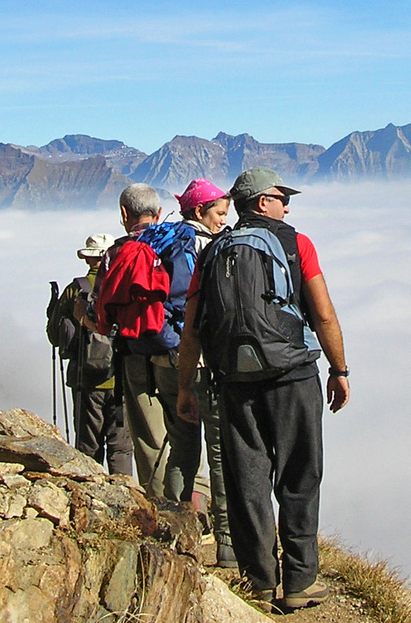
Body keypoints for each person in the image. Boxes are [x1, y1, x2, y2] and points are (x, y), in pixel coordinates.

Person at [177, 168, 350, 612]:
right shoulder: (297, 244)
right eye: (280, 197)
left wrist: (185, 388)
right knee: (299, 475)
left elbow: (192, 329)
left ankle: (258, 581)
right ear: (260, 202)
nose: (287, 206)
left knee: (247, 479)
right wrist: (339, 368)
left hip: (233, 380)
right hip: (292, 375)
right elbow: (324, 315)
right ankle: (299, 581)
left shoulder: (213, 251)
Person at [91, 183, 172, 496]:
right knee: (185, 431)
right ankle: (199, 504)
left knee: (150, 435)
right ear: (159, 213)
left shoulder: (116, 253)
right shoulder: (178, 242)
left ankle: (163, 506)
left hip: (136, 350)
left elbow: (100, 313)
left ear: (124, 214)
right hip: (182, 348)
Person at [174, 178, 236, 567]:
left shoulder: (165, 242)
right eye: (219, 214)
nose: (222, 221)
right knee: (220, 454)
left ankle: (176, 529)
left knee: (179, 451)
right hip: (204, 365)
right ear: (199, 211)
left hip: (168, 359)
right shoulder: (208, 250)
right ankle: (227, 547)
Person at [51, 233, 133, 475]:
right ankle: (126, 500)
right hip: (120, 380)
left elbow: (55, 336)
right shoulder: (124, 285)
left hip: (86, 381)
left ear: (88, 259)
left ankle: (91, 496)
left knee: (88, 446)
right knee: (120, 448)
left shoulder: (75, 290)